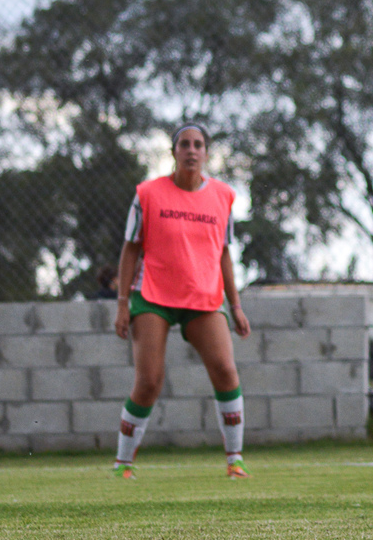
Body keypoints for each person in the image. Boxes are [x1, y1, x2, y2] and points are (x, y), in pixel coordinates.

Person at [112, 124, 252, 480]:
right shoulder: (147, 194)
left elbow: (223, 254)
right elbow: (130, 249)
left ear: (206, 153)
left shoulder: (223, 196)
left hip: (203, 295)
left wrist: (235, 306)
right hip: (153, 295)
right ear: (173, 152)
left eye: (198, 145)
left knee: (225, 370)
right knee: (149, 381)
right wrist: (123, 303)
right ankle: (122, 464)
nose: (192, 150)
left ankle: (235, 461)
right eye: (185, 144)